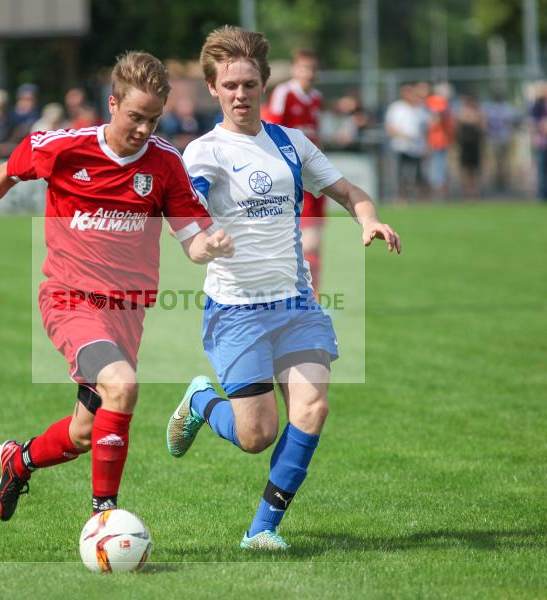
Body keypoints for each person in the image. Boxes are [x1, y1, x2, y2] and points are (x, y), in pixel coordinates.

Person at [0, 51, 233, 522]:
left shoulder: (165, 162)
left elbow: (191, 240)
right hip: (70, 299)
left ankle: (18, 460)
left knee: (83, 433)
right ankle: (104, 519)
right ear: (112, 104)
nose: (142, 129)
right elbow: (6, 174)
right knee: (123, 386)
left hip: (128, 312)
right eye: (134, 116)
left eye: (152, 120)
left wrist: (209, 245)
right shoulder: (65, 146)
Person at [166, 26, 401, 551]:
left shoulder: (290, 143)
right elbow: (187, 210)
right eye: (229, 85)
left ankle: (262, 530)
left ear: (264, 84)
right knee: (256, 435)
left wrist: (368, 219)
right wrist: (202, 243)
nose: (240, 94)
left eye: (249, 83)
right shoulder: (204, 151)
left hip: (296, 303)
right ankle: (202, 400)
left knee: (313, 407)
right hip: (237, 310)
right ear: (212, 88)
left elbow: (347, 189)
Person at [264, 49, 327, 291]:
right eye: (303, 68)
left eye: (312, 68)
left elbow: (315, 135)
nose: (308, 73)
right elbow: (272, 131)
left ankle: (313, 297)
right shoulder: (284, 93)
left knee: (316, 240)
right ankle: (294, 295)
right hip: (292, 176)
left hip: (313, 174)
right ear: (294, 69)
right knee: (302, 241)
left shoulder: (316, 97)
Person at [385, 84, 429, 202]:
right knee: (402, 175)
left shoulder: (420, 108)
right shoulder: (396, 108)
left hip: (418, 148)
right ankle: (402, 198)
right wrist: (405, 135)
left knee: (420, 175)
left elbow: (426, 128)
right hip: (402, 147)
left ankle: (423, 200)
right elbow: (389, 128)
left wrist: (426, 144)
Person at [483, 92, 518, 194]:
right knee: (498, 162)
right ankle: (499, 181)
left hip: (502, 138)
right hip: (499, 138)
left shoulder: (502, 108)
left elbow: (513, 122)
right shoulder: (500, 108)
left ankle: (503, 181)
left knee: (503, 162)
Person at [426, 86, 455, 198]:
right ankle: (436, 190)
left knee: (440, 166)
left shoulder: (443, 103)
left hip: (442, 141)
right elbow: (435, 118)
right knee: (436, 166)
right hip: (435, 141)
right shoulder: (435, 101)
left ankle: (438, 188)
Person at [456, 94, 485, 199]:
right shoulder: (461, 112)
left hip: (475, 145)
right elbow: (459, 124)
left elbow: (482, 127)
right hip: (465, 145)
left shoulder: (478, 112)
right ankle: (466, 192)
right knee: (465, 169)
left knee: (475, 169)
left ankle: (474, 191)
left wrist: (475, 119)